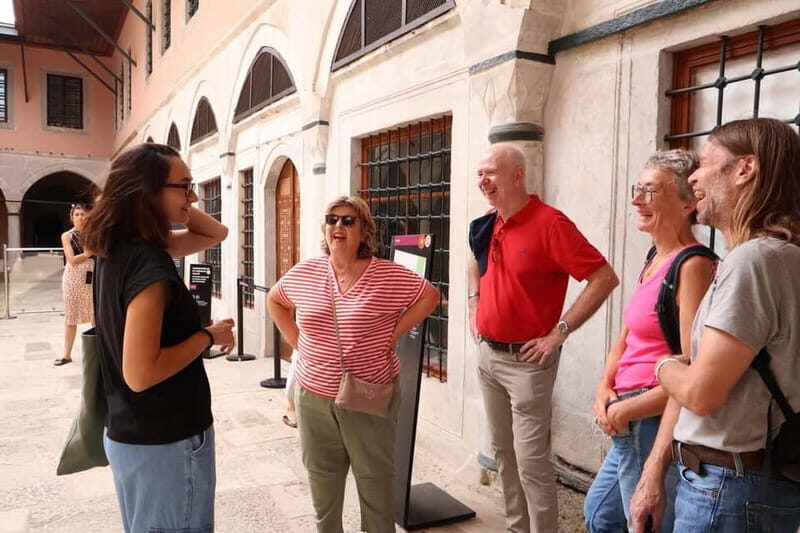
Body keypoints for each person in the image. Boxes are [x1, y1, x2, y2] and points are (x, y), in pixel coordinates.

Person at [631, 118, 800, 532]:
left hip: (729, 489)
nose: (694, 177)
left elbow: (700, 394)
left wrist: (663, 365)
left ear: (745, 169)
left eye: (705, 163)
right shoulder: (783, 255)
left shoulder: (754, 261)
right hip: (755, 483)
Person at [81, 143, 235, 533]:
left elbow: (217, 232)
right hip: (165, 442)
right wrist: (207, 336)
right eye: (185, 186)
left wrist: (170, 199)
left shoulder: (121, 248)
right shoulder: (148, 261)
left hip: (136, 436)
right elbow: (141, 372)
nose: (194, 196)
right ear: (146, 191)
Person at [468, 143, 619, 532]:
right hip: (488, 356)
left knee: (532, 461)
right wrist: (474, 304)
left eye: (491, 173)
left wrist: (559, 333)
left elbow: (603, 277)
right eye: (480, 174)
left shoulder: (551, 224)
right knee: (503, 452)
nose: (483, 181)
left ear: (517, 174)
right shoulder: (489, 221)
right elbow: (474, 260)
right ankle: (517, 527)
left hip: (527, 364)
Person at [267, 196, 440, 533]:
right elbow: (276, 299)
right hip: (312, 395)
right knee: (322, 481)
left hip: (369, 393)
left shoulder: (386, 275)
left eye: (348, 221)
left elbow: (429, 296)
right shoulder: (308, 271)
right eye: (332, 220)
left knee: (375, 482)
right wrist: (296, 340)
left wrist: (393, 334)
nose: (338, 227)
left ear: (365, 231)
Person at [583, 150, 716, 531]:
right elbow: (626, 335)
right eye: (637, 189)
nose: (636, 200)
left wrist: (625, 411)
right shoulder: (654, 257)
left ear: (688, 203)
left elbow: (692, 367)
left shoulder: (692, 266)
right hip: (625, 416)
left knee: (641, 521)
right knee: (600, 515)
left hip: (649, 419)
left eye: (650, 191)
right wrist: (603, 388)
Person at [55, 203, 95, 366]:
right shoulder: (67, 236)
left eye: (83, 214)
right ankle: (66, 355)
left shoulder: (93, 234)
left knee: (96, 314)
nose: (80, 217)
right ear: (72, 217)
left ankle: (100, 350)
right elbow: (71, 260)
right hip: (73, 278)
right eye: (77, 214)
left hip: (92, 275)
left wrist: (88, 255)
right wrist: (88, 253)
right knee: (71, 316)